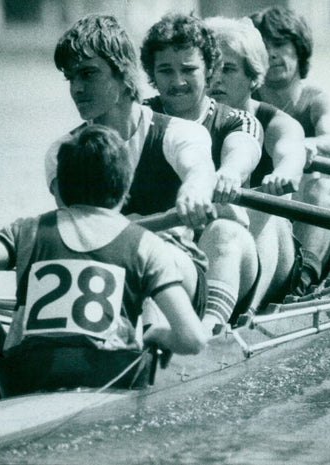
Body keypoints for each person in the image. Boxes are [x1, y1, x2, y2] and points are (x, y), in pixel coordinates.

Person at [0, 125, 209, 397]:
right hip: (110, 376)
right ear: (126, 185)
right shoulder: (146, 244)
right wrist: (156, 335)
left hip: (25, 377)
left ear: (59, 186)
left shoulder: (27, 231)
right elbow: (193, 339)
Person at [47, 14, 253, 336]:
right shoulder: (63, 153)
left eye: (87, 74)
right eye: (71, 77)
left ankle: (198, 336)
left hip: (178, 273)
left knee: (153, 250)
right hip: (104, 279)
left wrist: (194, 192)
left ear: (124, 72)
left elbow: (198, 169)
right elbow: (76, 237)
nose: (76, 88)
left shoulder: (179, 134)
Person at [140, 12, 263, 327]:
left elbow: (242, 150)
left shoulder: (237, 121)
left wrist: (230, 174)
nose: (177, 81)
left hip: (222, 259)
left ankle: (210, 330)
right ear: (152, 75)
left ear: (210, 71)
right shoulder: (139, 119)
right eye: (165, 70)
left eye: (189, 70)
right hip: (161, 253)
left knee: (225, 231)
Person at [205, 16, 307, 309]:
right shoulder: (189, 121)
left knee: (268, 205)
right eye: (210, 69)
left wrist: (284, 173)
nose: (216, 79)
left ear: (254, 77)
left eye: (228, 69)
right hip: (217, 245)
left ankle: (246, 312)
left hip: (272, 255)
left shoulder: (276, 123)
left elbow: (291, 153)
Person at [250, 6, 330, 295]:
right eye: (263, 46)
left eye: (280, 44)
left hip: (307, 222)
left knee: (323, 186)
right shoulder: (245, 104)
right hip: (263, 221)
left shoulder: (322, 101)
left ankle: (303, 282)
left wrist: (307, 145)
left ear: (300, 49)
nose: (271, 53)